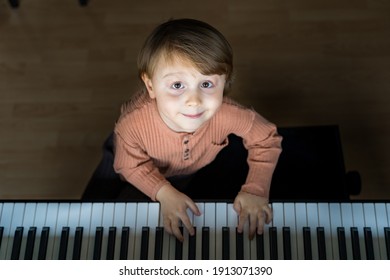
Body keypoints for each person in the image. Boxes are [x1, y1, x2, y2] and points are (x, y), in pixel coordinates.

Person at [113, 18, 282, 241]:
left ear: (225, 83)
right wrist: (163, 192)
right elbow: (129, 165)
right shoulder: (132, 125)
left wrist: (255, 189)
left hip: (194, 170)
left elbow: (266, 139)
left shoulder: (229, 114)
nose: (194, 101)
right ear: (151, 86)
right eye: (177, 85)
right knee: (120, 207)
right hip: (140, 164)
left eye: (206, 84)